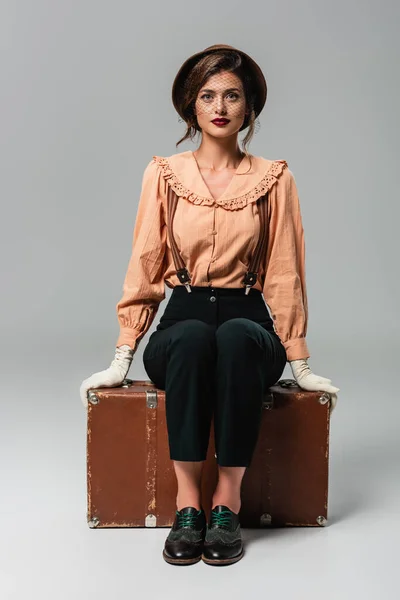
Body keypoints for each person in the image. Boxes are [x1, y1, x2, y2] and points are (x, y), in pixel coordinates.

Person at [80, 44, 340, 567]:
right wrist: (122, 357)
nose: (220, 105)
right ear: (191, 107)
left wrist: (299, 361)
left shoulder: (274, 179)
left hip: (250, 324)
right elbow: (145, 262)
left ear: (249, 108)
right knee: (198, 338)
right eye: (207, 95)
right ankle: (188, 504)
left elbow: (286, 272)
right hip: (182, 321)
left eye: (232, 96)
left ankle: (227, 502)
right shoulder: (165, 174)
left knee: (235, 339)